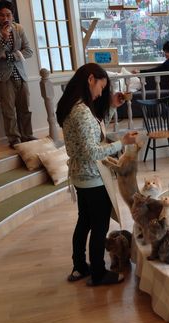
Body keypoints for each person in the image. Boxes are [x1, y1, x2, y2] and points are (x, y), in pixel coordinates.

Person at [56, 63, 138, 286]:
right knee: (99, 225)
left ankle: (80, 267)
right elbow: (92, 151)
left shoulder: (75, 105)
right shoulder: (81, 111)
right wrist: (123, 142)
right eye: (101, 87)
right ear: (90, 79)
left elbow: (93, 134)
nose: (101, 92)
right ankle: (99, 273)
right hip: (92, 176)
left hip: (81, 176)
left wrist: (111, 107)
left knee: (84, 222)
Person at [0, 0, 35, 148]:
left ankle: (27, 135)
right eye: (1, 15)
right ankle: (14, 139)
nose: (5, 18)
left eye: (8, 15)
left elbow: (29, 51)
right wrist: (4, 39)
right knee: (9, 111)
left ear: (12, 15)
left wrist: (10, 56)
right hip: (4, 76)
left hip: (20, 73)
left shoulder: (19, 28)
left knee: (25, 107)